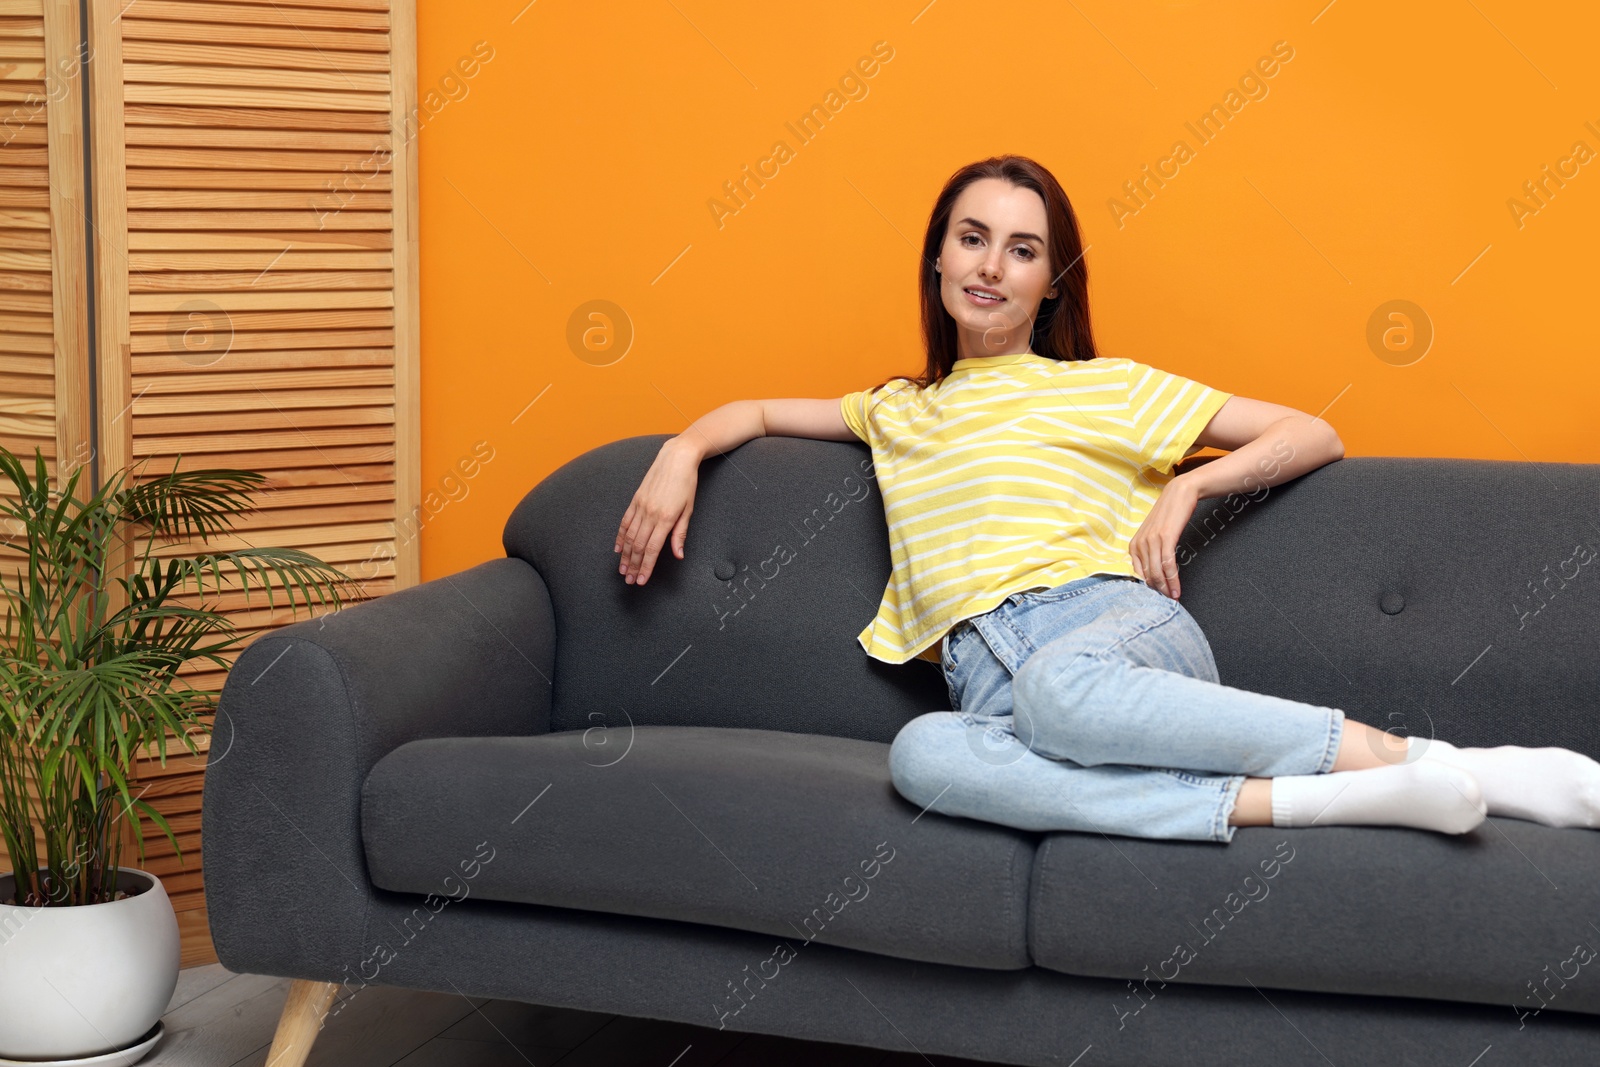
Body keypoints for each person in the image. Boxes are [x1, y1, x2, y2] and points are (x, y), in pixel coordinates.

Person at [612, 154, 1600, 843]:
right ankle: (1329, 804)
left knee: (1058, 690)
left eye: (1022, 248)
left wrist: (1194, 487)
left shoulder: (1103, 384)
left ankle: (1412, 755)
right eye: (971, 238)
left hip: (1110, 631)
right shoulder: (895, 409)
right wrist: (681, 450)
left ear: (1049, 284)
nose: (991, 265)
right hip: (989, 687)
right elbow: (749, 409)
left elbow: (1313, 431)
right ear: (938, 258)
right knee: (922, 756)